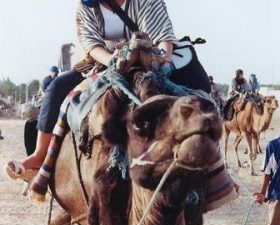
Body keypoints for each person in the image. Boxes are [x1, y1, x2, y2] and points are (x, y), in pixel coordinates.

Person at [5, 0, 211, 180]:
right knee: (57, 88)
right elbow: (91, 44)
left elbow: (162, 36)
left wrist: (163, 61)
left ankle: (213, 164)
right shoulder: (87, 7)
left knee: (198, 82)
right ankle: (39, 155)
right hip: (104, 61)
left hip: (152, 58)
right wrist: (114, 61)